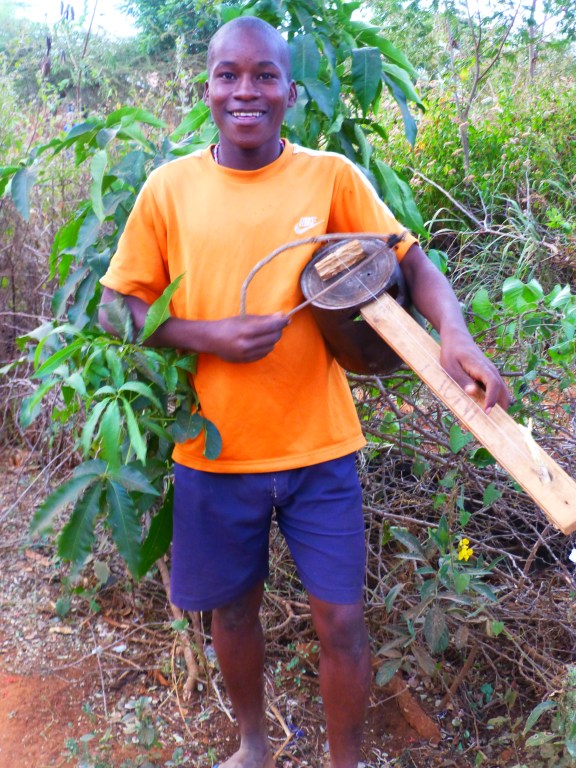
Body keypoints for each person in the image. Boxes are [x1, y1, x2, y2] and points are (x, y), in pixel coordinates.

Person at [98, 16, 511, 768]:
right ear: (207, 88)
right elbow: (115, 304)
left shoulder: (329, 178)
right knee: (232, 614)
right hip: (215, 451)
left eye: (264, 76)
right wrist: (206, 335)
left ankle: (342, 763)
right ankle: (254, 745)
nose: (245, 90)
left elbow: (412, 263)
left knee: (343, 623)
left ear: (292, 91)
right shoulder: (170, 189)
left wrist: (455, 333)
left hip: (320, 450)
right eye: (229, 75)